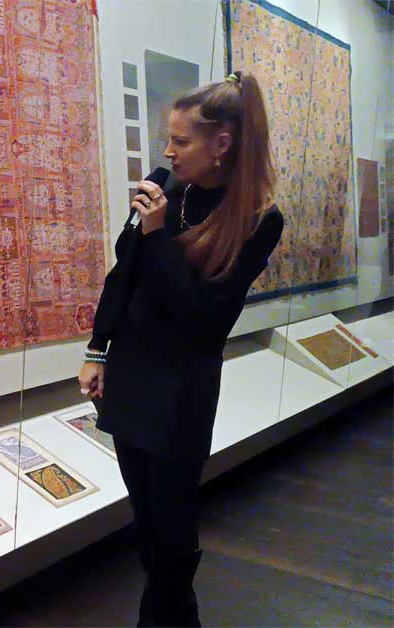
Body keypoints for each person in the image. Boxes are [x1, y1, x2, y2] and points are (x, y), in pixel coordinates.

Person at [77, 71, 285, 627]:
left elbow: (205, 318)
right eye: (167, 139)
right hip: (131, 372)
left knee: (171, 523)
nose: (167, 151)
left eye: (180, 141)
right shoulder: (164, 185)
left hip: (181, 386)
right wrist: (98, 349)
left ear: (222, 145)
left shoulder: (259, 219)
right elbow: (125, 272)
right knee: (147, 520)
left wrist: (158, 233)